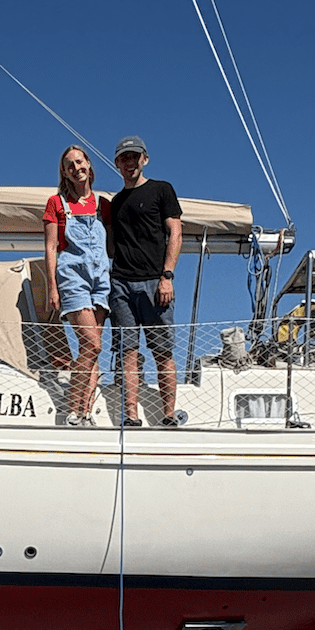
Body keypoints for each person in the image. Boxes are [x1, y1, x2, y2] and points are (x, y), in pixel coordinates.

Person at [107, 135, 182, 426]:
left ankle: (168, 414)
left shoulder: (162, 190)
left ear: (144, 159)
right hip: (122, 284)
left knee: (162, 350)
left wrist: (167, 275)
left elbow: (175, 233)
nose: (130, 162)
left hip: (155, 282)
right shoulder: (115, 203)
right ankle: (131, 415)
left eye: (134, 157)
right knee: (129, 353)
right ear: (117, 164)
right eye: (124, 158)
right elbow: (111, 245)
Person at [43, 145, 112, 426]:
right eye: (69, 165)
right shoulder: (56, 203)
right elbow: (50, 247)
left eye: (80, 162)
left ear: (89, 165)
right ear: (64, 172)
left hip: (101, 278)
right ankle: (73, 410)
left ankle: (86, 412)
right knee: (91, 344)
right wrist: (52, 286)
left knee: (95, 350)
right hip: (73, 277)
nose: (76, 168)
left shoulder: (103, 205)